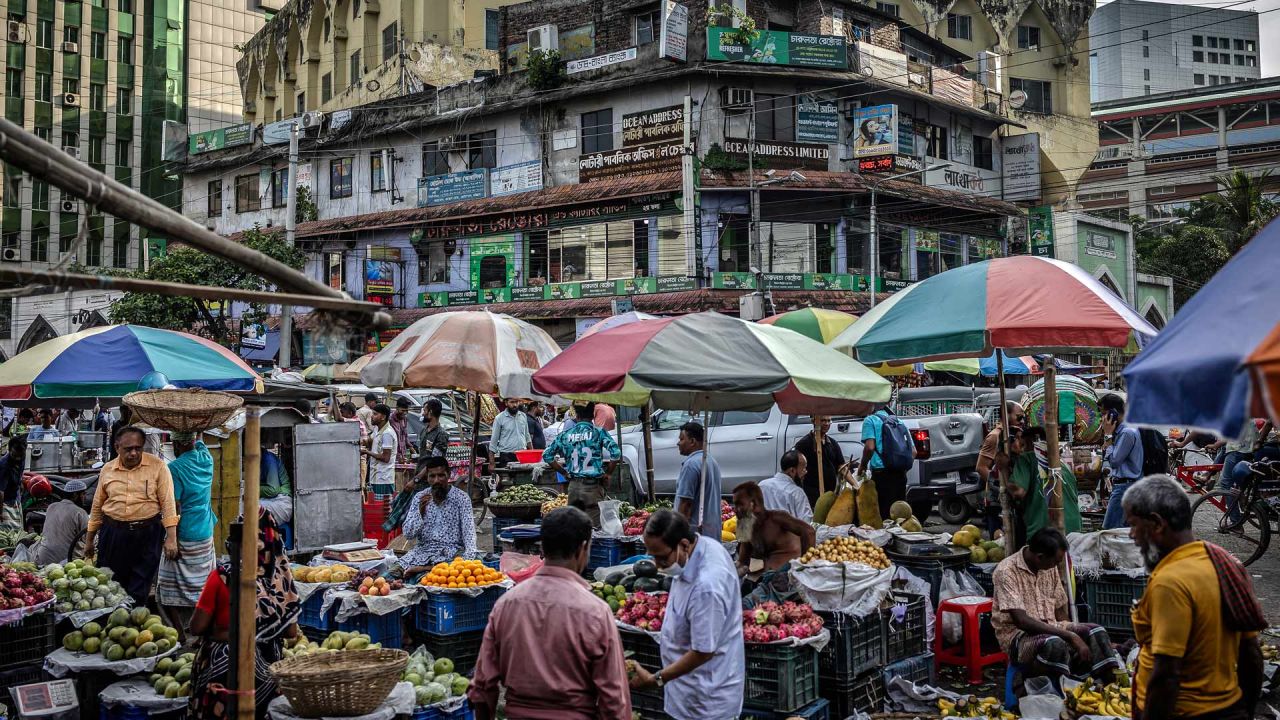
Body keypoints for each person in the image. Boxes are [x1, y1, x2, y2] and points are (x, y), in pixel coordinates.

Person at [1123, 475, 1265, 720]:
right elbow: (1251, 653)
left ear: (1157, 524)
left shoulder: (1170, 581)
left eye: (1134, 525)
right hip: (1229, 708)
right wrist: (1246, 712)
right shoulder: (1224, 562)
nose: (1131, 535)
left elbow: (1166, 675)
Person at [470, 507, 630, 720]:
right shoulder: (596, 611)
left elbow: (483, 685)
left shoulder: (506, 604)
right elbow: (613, 697)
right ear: (583, 548)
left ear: (542, 547)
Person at [630, 510, 744, 720]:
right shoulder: (701, 547)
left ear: (683, 544)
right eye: (652, 556)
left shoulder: (707, 586)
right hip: (686, 691)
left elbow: (703, 651)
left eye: (662, 557)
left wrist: (656, 679)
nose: (656, 565)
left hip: (705, 701)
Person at [189, 510, 301, 720]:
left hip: (225, 676)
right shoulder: (280, 578)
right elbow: (291, 631)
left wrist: (220, 633)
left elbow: (196, 627)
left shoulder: (222, 576)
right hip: (269, 672)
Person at [991, 527, 1122, 684]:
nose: (1057, 565)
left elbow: (1059, 608)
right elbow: (1022, 621)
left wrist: (1074, 630)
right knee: (1054, 643)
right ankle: (1051, 688)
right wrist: (1070, 636)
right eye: (1056, 561)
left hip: (1052, 626)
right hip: (1018, 636)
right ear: (1040, 557)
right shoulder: (1006, 571)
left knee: (1096, 632)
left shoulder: (1048, 566)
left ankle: (1108, 686)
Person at [83, 426, 180, 605]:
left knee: (139, 587)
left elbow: (168, 503)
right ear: (117, 447)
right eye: (128, 449)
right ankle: (112, 627)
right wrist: (89, 540)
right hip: (113, 533)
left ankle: (133, 627)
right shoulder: (107, 469)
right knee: (110, 586)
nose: (134, 453)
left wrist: (171, 538)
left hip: (147, 534)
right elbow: (97, 506)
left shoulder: (158, 467)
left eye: (138, 448)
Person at [157, 432, 218, 634]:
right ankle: (202, 630)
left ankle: (181, 633)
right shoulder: (206, 458)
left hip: (186, 532)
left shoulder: (174, 468)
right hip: (206, 530)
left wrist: (171, 538)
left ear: (176, 444)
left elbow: (173, 507)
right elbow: (200, 442)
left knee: (164, 588)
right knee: (204, 586)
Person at [392, 456, 478, 579]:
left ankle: (423, 570)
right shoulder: (420, 498)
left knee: (443, 576)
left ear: (448, 475)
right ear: (427, 478)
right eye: (432, 476)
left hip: (450, 553)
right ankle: (422, 568)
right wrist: (420, 513)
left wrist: (468, 560)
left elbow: (469, 534)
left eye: (441, 475)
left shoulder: (461, 499)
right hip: (422, 552)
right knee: (389, 575)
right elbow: (408, 534)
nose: (437, 480)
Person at [732, 481, 814, 607]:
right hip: (765, 581)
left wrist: (804, 568)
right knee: (736, 604)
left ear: (753, 504)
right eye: (734, 505)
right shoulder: (745, 527)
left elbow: (808, 532)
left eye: (740, 504)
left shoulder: (777, 518)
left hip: (788, 578)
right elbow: (743, 563)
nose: (735, 510)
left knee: (746, 605)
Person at [541, 402, 620, 527]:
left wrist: (564, 472)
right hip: (593, 488)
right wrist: (608, 474)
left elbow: (547, 455)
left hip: (574, 488)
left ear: (577, 416)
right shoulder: (598, 432)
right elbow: (615, 453)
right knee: (594, 529)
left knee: (574, 528)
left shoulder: (566, 435)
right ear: (593, 416)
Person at [1008, 427, 1082, 542]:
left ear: (1032, 442)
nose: (1021, 450)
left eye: (1023, 445)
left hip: (1045, 534)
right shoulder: (1063, 465)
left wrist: (1004, 473)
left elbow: (1018, 492)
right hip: (1074, 531)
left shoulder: (1027, 458)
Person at [976, 401, 1028, 534]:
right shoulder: (995, 436)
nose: (1022, 421)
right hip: (997, 502)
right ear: (1006, 415)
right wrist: (1001, 487)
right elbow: (981, 467)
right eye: (1019, 417)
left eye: (1023, 417)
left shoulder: (1016, 434)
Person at [860, 405, 915, 522]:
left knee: (885, 517)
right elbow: (913, 452)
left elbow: (869, 447)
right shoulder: (899, 421)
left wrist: (863, 465)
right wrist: (901, 468)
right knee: (901, 516)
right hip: (900, 474)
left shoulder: (870, 420)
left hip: (881, 474)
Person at [18, 478, 88, 564]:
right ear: (75, 495)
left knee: (35, 545)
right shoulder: (80, 512)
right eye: (83, 494)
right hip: (67, 560)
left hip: (43, 558)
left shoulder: (51, 507)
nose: (85, 497)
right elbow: (87, 539)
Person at [674, 422, 723, 540]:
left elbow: (685, 504)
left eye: (681, 439)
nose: (678, 443)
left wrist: (680, 536)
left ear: (692, 441)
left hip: (696, 536)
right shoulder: (711, 461)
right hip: (712, 534)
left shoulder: (690, 465)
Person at [1100, 393, 1143, 529]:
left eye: (1104, 413)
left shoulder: (1127, 433)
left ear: (1113, 413)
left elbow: (1114, 461)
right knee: (1122, 531)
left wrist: (1107, 435)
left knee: (1109, 530)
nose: (1102, 418)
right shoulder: (1121, 431)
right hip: (1125, 486)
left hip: (1125, 487)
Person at [794, 416, 845, 505]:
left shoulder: (832, 443)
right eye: (823, 420)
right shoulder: (804, 444)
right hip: (811, 494)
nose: (827, 424)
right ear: (814, 421)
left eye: (829, 421)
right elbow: (797, 469)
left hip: (830, 493)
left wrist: (855, 484)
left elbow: (841, 466)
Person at [758, 450, 813, 523]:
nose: (806, 471)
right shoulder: (796, 493)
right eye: (803, 468)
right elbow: (807, 523)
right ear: (792, 471)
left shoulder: (762, 485)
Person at [362, 403, 398, 500]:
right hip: (376, 477)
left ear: (383, 417)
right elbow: (369, 441)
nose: (372, 417)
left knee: (383, 510)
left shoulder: (387, 433)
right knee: (376, 509)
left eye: (375, 414)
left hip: (384, 478)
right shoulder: (377, 429)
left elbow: (386, 458)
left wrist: (367, 452)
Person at [489, 397, 531, 469]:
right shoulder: (499, 418)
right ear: (506, 403)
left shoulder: (523, 416)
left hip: (523, 455)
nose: (515, 405)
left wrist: (531, 454)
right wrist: (491, 463)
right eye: (512, 402)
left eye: (516, 402)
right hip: (506, 456)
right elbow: (494, 441)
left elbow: (527, 437)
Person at [259, 444, 294, 525]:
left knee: (249, 508)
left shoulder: (269, 460)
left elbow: (273, 490)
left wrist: (251, 490)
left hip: (282, 503)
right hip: (271, 501)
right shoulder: (261, 461)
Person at [416, 398, 450, 470]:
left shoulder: (441, 434)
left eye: (424, 411)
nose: (423, 414)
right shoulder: (424, 430)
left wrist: (419, 477)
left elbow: (435, 461)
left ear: (430, 412)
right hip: (420, 471)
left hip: (431, 475)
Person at [390, 397, 413, 463]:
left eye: (407, 411)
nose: (405, 413)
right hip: (393, 456)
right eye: (403, 410)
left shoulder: (404, 419)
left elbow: (405, 436)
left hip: (403, 456)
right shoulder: (390, 419)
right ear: (397, 408)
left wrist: (412, 450)